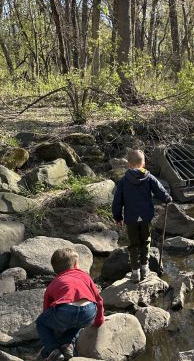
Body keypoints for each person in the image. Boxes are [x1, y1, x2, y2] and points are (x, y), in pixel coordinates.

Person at [112, 149, 172, 283]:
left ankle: (135, 272)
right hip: (146, 217)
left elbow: (117, 201)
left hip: (131, 218)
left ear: (128, 164)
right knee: (145, 242)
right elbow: (159, 190)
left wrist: (118, 218)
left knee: (133, 244)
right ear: (143, 163)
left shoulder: (123, 181)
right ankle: (145, 268)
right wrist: (167, 198)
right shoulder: (149, 177)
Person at [35, 248, 104, 361]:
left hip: (65, 311)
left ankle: (53, 351)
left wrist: (51, 322)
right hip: (88, 311)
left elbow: (47, 307)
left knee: (41, 323)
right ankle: (67, 345)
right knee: (78, 323)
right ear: (76, 265)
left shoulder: (54, 282)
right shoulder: (86, 277)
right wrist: (99, 321)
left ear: (55, 270)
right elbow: (98, 299)